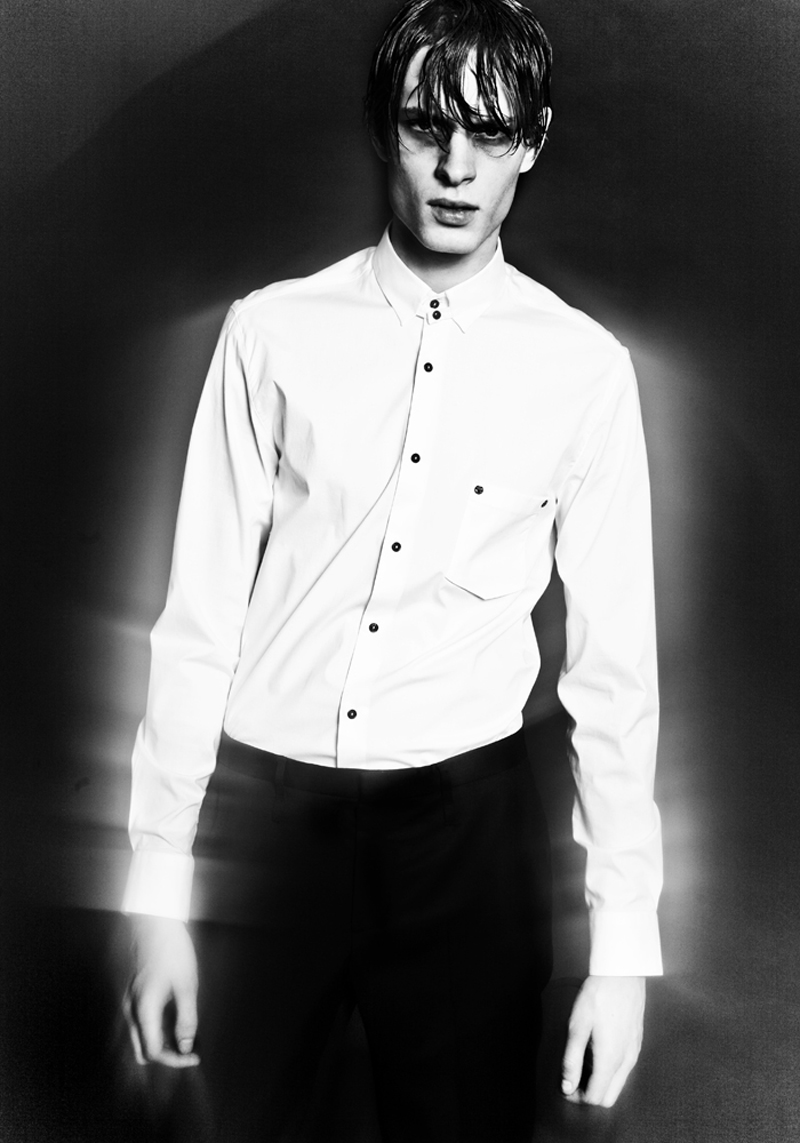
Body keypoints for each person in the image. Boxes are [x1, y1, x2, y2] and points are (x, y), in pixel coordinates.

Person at [123, 1, 663, 1139]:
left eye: (491, 132)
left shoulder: (585, 371)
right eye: (428, 126)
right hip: (266, 830)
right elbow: (197, 621)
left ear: (533, 141)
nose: (456, 166)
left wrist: (621, 954)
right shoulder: (269, 333)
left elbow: (614, 678)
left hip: (469, 844)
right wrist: (158, 895)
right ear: (385, 129)